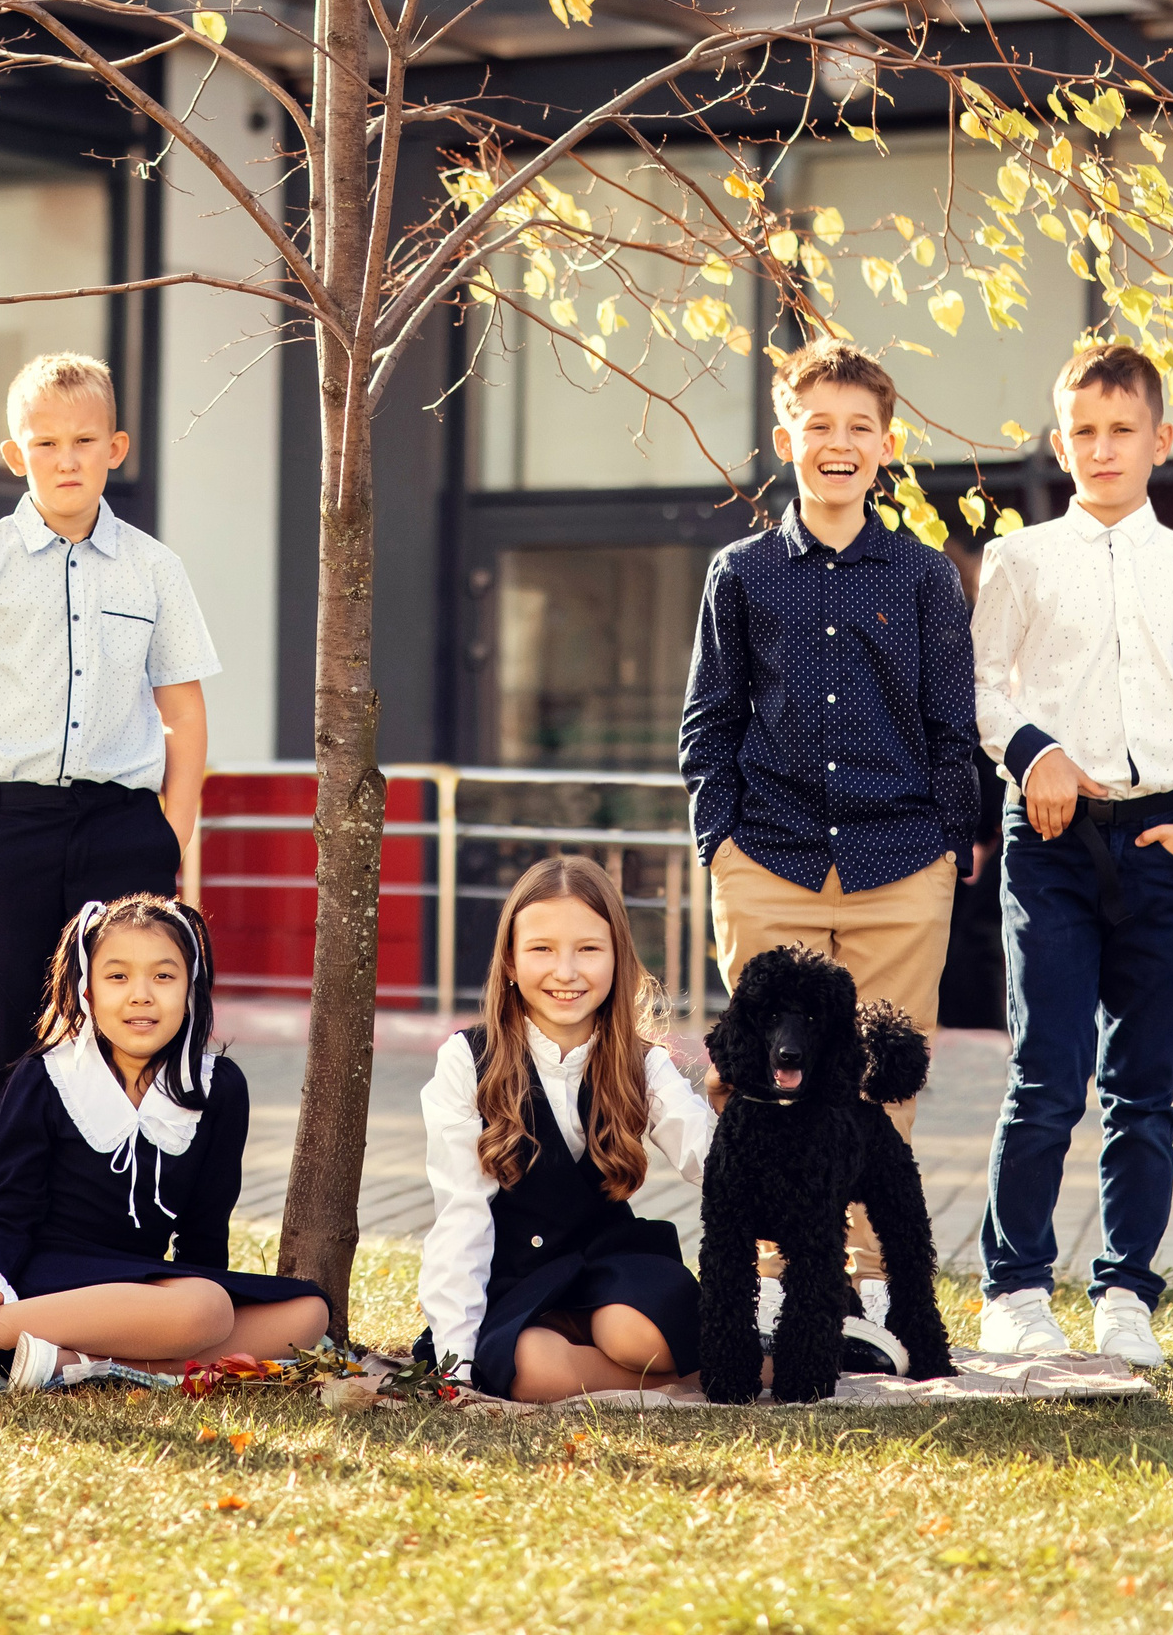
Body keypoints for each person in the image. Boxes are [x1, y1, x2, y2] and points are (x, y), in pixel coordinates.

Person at [677, 338, 978, 1332]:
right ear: (785, 439)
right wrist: (717, 839)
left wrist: (948, 839)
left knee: (876, 1088)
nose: (838, 445)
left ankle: (862, 1293)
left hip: (900, 864)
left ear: (885, 445)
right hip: (768, 859)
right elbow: (709, 724)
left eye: (859, 429)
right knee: (760, 1082)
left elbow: (950, 725)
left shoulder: (926, 576)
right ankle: (770, 1288)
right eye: (819, 427)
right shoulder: (743, 572)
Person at [971, 343, 1173, 1369]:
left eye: (1120, 430)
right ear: (1060, 442)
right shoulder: (1019, 559)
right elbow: (980, 690)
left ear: (1158, 442)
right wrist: (1031, 751)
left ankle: (1126, 1290)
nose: (1100, 449)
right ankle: (1012, 1287)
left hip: (1160, 839)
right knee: (1047, 1071)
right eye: (1082, 432)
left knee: (1144, 1084)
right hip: (1047, 841)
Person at [0, 352, 220, 1145]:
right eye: (44, 444)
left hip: (124, 828)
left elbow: (183, 711)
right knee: (4, 1025)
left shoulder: (155, 569)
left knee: (126, 1024)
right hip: (8, 831)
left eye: (84, 440)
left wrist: (168, 834)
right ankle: (1, 1230)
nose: (66, 458)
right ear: (16, 456)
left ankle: (116, 1207)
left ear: (116, 448)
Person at [0, 895, 328, 1394]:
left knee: (306, 1314)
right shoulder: (49, 1076)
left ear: (191, 989)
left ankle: (70, 1362)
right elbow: (8, 1208)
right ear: (86, 990)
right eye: (118, 977)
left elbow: (205, 1223)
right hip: (49, 1275)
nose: (141, 995)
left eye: (163, 976)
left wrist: (196, 1304)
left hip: (144, 1284)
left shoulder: (217, 1086)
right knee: (205, 1308)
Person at [416, 856, 714, 1404]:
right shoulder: (468, 1058)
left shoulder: (643, 1063)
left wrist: (744, 1122)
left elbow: (710, 1162)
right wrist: (452, 1366)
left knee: (639, 1337)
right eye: (542, 949)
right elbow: (461, 1217)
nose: (566, 971)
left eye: (589, 949)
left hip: (614, 1260)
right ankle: (703, 1380)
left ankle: (707, 1366)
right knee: (531, 1371)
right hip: (518, 1276)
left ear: (619, 956)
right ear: (509, 959)